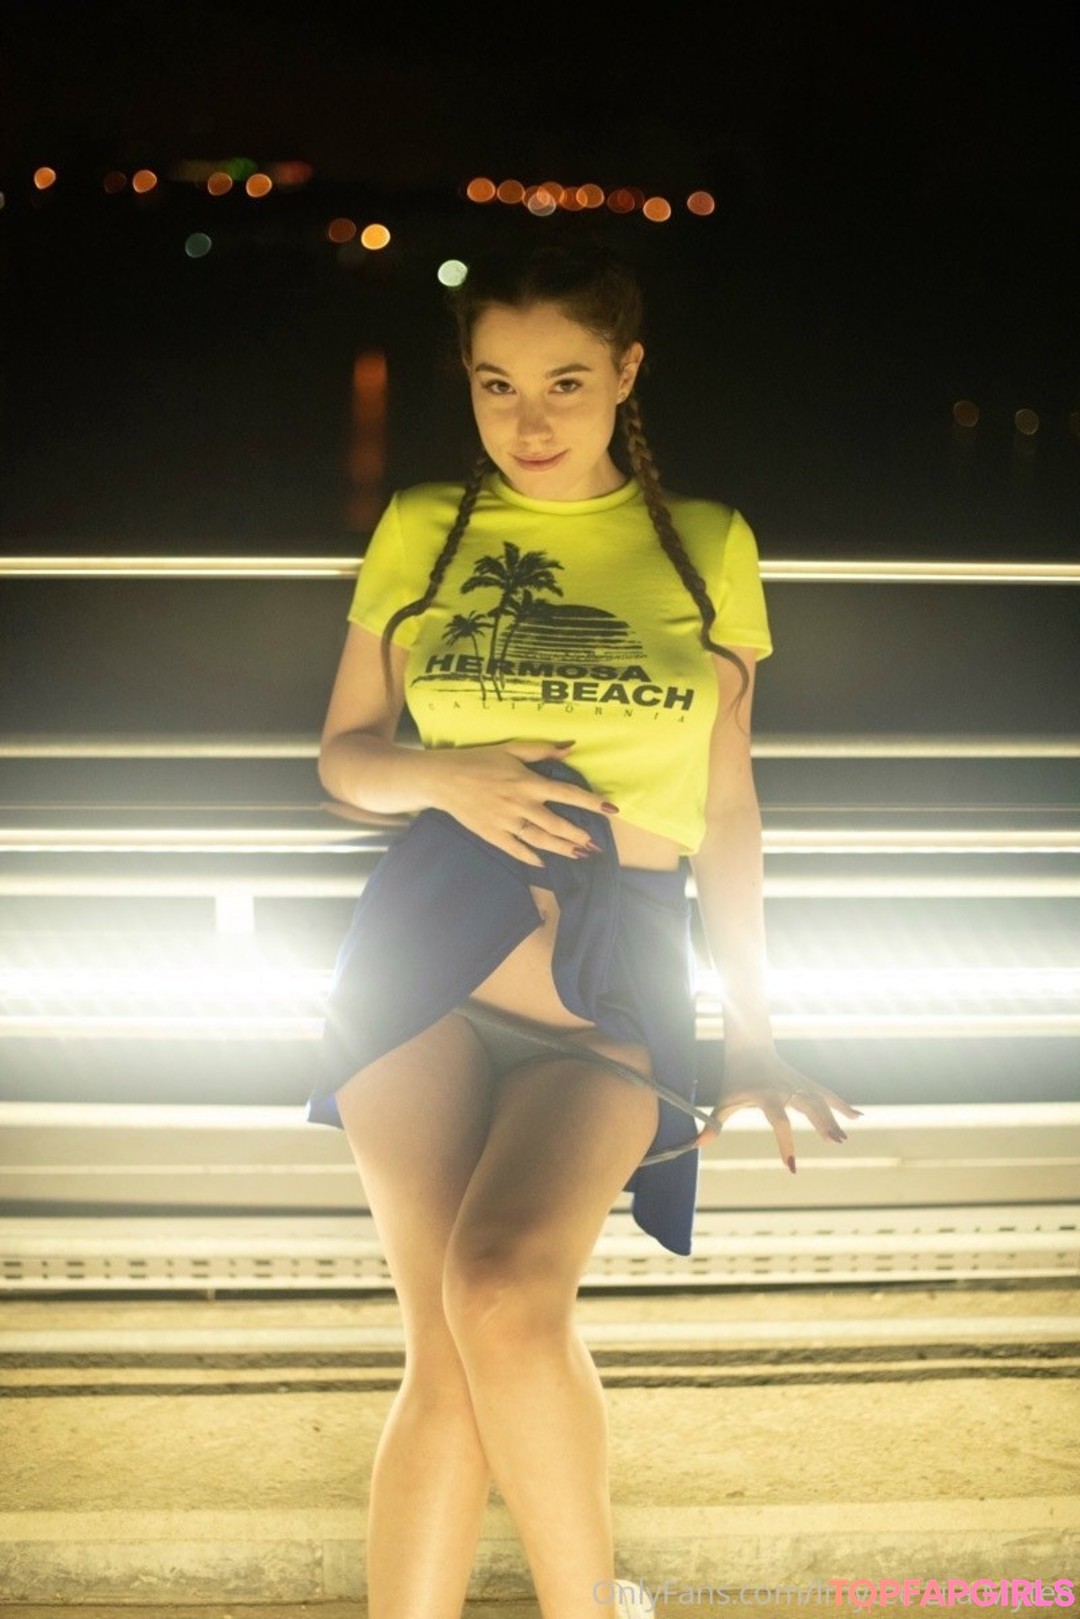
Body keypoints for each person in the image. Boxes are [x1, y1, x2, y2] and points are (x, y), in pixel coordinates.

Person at [307, 238, 862, 1619]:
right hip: (420, 960)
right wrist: (446, 776)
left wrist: (754, 1033)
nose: (530, 419)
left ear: (626, 371)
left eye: (564, 381)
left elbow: (728, 808)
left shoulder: (707, 544)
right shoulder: (424, 525)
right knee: (445, 1353)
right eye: (497, 384)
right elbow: (346, 759)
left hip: (614, 976)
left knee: (504, 1294)